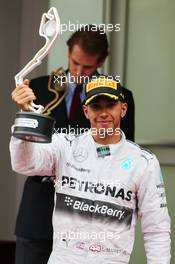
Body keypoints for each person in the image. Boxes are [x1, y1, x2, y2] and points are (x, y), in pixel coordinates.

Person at [10, 76, 171, 264]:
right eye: (96, 106)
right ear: (86, 111)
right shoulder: (65, 146)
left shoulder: (143, 162)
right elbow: (23, 164)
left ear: (123, 109)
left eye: (110, 105)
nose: (103, 113)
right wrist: (26, 115)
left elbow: (156, 229)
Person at [11, 25, 135, 264]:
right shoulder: (35, 88)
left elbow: (122, 154)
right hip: (38, 212)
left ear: (101, 61)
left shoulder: (119, 97)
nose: (78, 71)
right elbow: (25, 151)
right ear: (68, 53)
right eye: (74, 62)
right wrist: (24, 116)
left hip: (87, 215)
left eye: (87, 67)